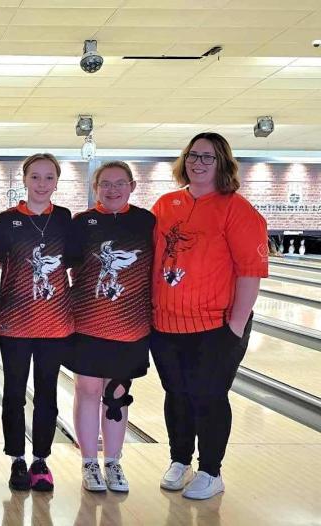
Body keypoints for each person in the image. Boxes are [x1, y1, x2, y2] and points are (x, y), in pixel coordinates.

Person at [150, 132, 267, 500]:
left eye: (208, 157)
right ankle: (180, 459)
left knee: (209, 396)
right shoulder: (165, 204)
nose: (198, 163)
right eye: (193, 155)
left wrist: (234, 325)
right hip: (166, 322)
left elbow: (250, 270)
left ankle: (211, 471)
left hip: (215, 325)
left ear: (223, 164)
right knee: (176, 394)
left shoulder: (237, 208)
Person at [64, 161, 154, 493]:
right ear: (95, 187)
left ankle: (113, 462)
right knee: (87, 391)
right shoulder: (82, 222)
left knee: (116, 394)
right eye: (105, 184)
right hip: (86, 321)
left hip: (130, 325)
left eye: (119, 183)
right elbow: (65, 267)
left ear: (131, 186)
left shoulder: (145, 222)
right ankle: (90, 463)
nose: (112, 189)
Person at [0, 153, 73, 493]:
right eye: (36, 177)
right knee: (13, 393)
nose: (42, 184)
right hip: (15, 322)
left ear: (56, 182)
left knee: (47, 393)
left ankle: (41, 459)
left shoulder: (66, 219)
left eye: (49, 177)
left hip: (55, 323)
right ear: (24, 180)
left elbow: (78, 265)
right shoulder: (6, 220)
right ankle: (17, 459)